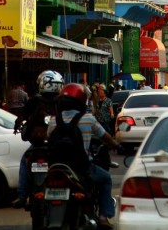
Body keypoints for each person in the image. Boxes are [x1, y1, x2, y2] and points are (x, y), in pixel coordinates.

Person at [48, 83, 121, 229]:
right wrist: (117, 145)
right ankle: (103, 216)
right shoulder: (88, 118)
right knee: (106, 179)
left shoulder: (54, 120)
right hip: (81, 168)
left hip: (56, 168)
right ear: (82, 101)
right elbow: (105, 137)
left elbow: (48, 138)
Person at [12, 70, 64, 209]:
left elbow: (22, 116)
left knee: (24, 162)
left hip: (38, 144)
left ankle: (22, 196)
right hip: (56, 144)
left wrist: (18, 125)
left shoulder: (35, 100)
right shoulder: (62, 101)